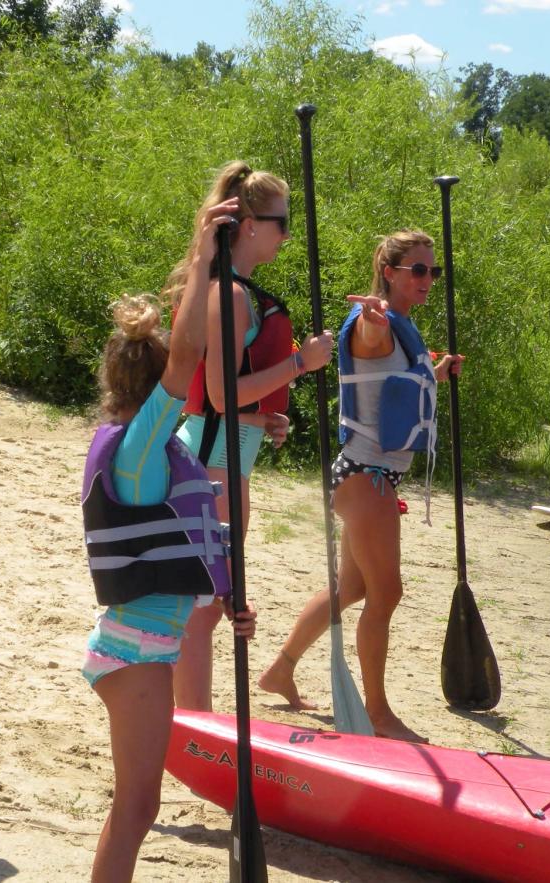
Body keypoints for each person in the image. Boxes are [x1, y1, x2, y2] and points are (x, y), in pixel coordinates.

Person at [80, 199, 256, 882]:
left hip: (148, 642)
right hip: (132, 653)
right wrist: (206, 252)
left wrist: (227, 598)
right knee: (137, 804)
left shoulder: (149, 447)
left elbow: (190, 542)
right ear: (156, 392)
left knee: (139, 801)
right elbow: (187, 353)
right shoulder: (136, 450)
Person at [258, 230, 463, 743]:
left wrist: (435, 371)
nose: (427, 281)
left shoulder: (403, 328)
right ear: (389, 272)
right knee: (386, 592)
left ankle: (280, 669)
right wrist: (372, 319)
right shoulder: (377, 325)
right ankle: (377, 713)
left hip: (369, 477)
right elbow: (370, 340)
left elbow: (390, 393)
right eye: (417, 270)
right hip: (366, 478)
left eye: (432, 272)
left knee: (350, 588)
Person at [165, 161, 334, 711]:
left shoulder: (236, 291)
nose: (287, 233)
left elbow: (236, 395)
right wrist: (300, 365)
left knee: (208, 602)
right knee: (205, 605)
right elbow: (219, 395)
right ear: (251, 225)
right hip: (213, 457)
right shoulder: (231, 295)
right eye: (281, 221)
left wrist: (264, 417)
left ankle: (192, 720)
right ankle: (196, 723)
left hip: (225, 454)